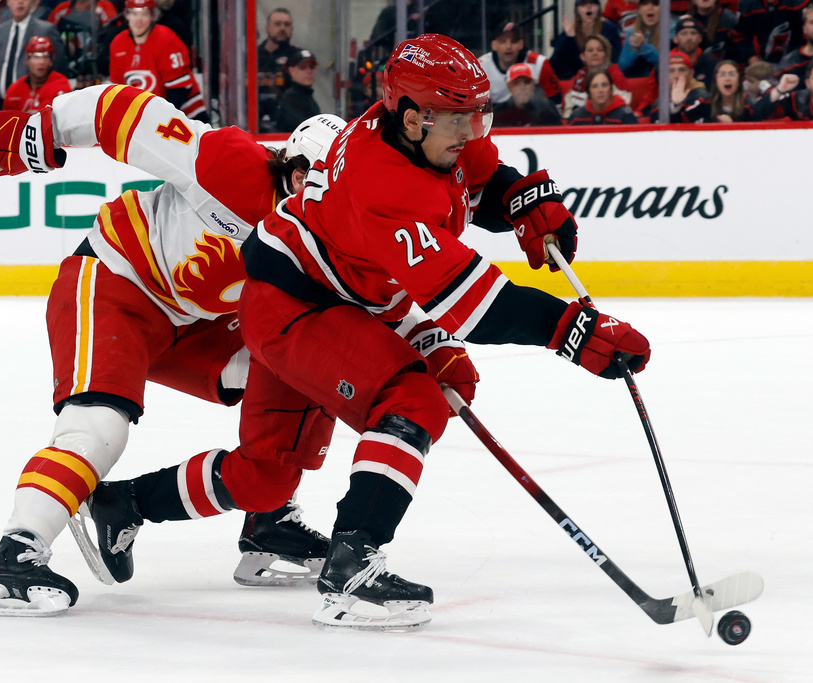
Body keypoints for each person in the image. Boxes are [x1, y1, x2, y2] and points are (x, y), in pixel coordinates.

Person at [235, 34, 650, 631]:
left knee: (423, 395)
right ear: (412, 116)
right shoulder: (385, 189)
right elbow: (477, 308)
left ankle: (139, 504)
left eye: (479, 112)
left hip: (351, 295)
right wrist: (573, 330)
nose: (474, 129)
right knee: (411, 399)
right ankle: (349, 568)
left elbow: (482, 178)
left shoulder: (426, 134)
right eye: (460, 116)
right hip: (293, 303)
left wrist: (524, 201)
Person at [0, 85, 346, 616]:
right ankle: (14, 555)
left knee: (302, 368)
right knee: (98, 428)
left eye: (328, 188)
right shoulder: (230, 165)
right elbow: (129, 113)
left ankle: (270, 517)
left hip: (191, 324)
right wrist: (48, 125)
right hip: (115, 287)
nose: (312, 197)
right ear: (289, 164)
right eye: (306, 177)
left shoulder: (328, 231)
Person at [109, 0, 206, 121]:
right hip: (150, 116)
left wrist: (159, 117)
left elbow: (180, 89)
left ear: (152, 16)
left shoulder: (166, 39)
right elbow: (119, 88)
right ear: (126, 15)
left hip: (187, 115)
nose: (138, 20)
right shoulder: (118, 43)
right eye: (134, 14)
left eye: (144, 14)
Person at [0, 0, 67, 101]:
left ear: (32, 3)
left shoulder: (46, 29)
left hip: (34, 101)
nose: (20, 2)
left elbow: (59, 65)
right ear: (8, 2)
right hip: (3, 100)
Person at [478, 20, 561, 109]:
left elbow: (556, 101)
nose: (508, 46)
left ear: (521, 44)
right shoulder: (481, 67)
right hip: (496, 118)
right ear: (494, 45)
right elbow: (474, 106)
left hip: (534, 116)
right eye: (502, 41)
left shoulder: (539, 63)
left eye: (513, 41)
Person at [550, 0, 623, 80]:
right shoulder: (569, 32)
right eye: (583, 4)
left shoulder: (609, 29)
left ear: (599, 8)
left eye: (593, 3)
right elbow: (555, 65)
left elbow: (614, 59)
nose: (589, 7)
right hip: (576, 79)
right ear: (577, 10)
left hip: (604, 77)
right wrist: (569, 38)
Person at [563, 35, 632, 117]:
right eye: (590, 50)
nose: (595, 53)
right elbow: (568, 108)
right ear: (583, 57)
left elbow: (624, 101)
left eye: (599, 50)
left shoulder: (614, 73)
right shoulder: (580, 76)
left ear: (606, 54)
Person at [256, 7, 299, 133]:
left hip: (288, 126)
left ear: (292, 29)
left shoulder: (299, 59)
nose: (282, 28)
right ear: (267, 27)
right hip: (254, 122)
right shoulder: (252, 56)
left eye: (287, 24)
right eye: (277, 24)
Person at [2, 35, 70, 112]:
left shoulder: (60, 84)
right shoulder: (14, 89)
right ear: (27, 59)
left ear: (51, 61)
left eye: (46, 57)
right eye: (36, 57)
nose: (41, 62)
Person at [729, 0, 808, 65]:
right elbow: (740, 36)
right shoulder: (748, 4)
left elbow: (807, 34)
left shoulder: (798, 2)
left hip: (795, 58)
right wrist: (751, 58)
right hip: (761, 60)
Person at [492, 63, 563, 127]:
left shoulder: (547, 110)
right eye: (516, 83)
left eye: (527, 82)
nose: (522, 87)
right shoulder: (499, 113)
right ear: (509, 87)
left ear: (533, 84)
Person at [684, 59, 755, 121]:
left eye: (732, 74)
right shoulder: (704, 103)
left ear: (739, 80)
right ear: (716, 81)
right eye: (722, 75)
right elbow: (683, 120)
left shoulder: (749, 107)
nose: (727, 78)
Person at [566, 68, 640, 123]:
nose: (600, 90)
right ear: (588, 91)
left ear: (611, 88)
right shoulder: (576, 117)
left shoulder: (625, 115)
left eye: (604, 85)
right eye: (595, 86)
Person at [618, 0, 670, 77]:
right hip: (638, 81)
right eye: (645, 4)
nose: (650, 7)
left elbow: (667, 62)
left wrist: (644, 47)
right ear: (639, 10)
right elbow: (622, 66)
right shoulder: (632, 32)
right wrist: (635, 49)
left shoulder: (670, 31)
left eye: (655, 4)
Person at [274, 47, 319, 134]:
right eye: (303, 67)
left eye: (312, 66)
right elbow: (305, 129)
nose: (309, 71)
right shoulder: (290, 99)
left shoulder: (308, 98)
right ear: (291, 70)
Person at [673, 15, 720, 85]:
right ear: (675, 38)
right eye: (684, 33)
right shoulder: (664, 65)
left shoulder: (713, 65)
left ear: (700, 38)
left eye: (693, 33)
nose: (689, 38)